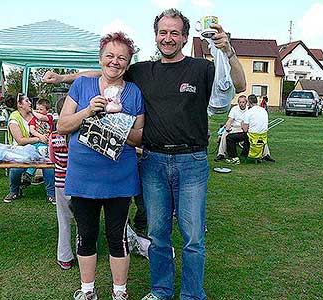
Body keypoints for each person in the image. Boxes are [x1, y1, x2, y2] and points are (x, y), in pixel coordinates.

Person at [43, 9, 246, 300]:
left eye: (175, 32)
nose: (168, 38)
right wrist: (64, 77)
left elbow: (238, 85)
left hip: (192, 162)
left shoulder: (201, 68)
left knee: (192, 238)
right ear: (156, 36)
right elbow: (105, 72)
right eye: (163, 32)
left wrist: (229, 50)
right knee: (159, 235)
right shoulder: (142, 71)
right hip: (152, 161)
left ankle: (192, 294)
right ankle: (161, 291)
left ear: (185, 37)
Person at [57, 32, 144, 300]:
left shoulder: (134, 92)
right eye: (110, 56)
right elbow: (62, 126)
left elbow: (140, 137)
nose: (115, 62)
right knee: (86, 234)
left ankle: (120, 292)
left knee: (117, 237)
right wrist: (87, 112)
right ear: (100, 58)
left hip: (119, 176)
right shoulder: (82, 85)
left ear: (128, 63)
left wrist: (120, 123)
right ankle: (87, 291)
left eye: (121, 58)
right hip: (83, 176)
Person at [3, 93, 55, 203]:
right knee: (16, 169)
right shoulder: (14, 118)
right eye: (27, 101)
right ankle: (14, 191)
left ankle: (51, 194)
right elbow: (20, 140)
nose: (30, 103)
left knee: (49, 166)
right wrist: (39, 139)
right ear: (19, 104)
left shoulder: (35, 115)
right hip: (21, 151)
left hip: (40, 149)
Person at [48, 96, 75, 270]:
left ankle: (65, 257)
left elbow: (52, 159)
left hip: (60, 182)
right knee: (85, 220)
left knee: (64, 221)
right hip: (79, 182)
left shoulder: (54, 136)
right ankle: (87, 249)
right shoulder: (79, 132)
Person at [22, 98, 54, 191]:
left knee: (40, 152)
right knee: (33, 153)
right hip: (36, 141)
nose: (38, 111)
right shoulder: (33, 119)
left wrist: (32, 111)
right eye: (37, 109)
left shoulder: (49, 117)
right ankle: (28, 174)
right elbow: (32, 130)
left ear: (47, 110)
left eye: (41, 109)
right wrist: (40, 136)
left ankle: (29, 173)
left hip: (45, 144)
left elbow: (41, 117)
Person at [241, 94, 275, 162]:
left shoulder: (249, 112)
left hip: (252, 137)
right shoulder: (264, 111)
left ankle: (235, 156)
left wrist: (242, 124)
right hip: (263, 136)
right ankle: (265, 155)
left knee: (231, 137)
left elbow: (245, 129)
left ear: (249, 102)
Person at [214, 95, 248, 162]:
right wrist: (227, 126)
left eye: (243, 102)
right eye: (240, 102)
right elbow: (230, 120)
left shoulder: (249, 110)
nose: (241, 104)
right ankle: (221, 154)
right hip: (234, 127)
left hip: (244, 128)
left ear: (246, 102)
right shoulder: (234, 109)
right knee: (224, 134)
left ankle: (266, 155)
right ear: (238, 103)